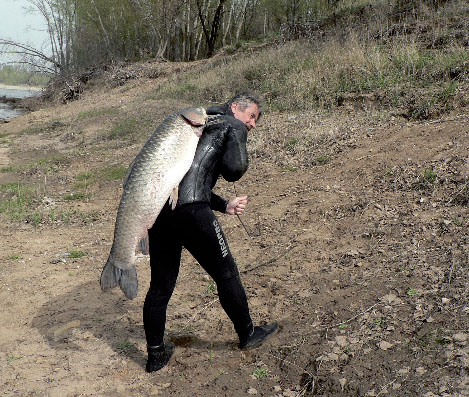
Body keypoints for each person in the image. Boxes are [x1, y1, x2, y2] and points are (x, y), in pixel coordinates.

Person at [143, 93, 278, 373]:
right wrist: (238, 131)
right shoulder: (231, 126)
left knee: (160, 286)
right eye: (251, 116)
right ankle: (248, 334)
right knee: (226, 273)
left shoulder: (198, 130)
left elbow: (192, 178)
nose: (253, 124)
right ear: (234, 108)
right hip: (192, 213)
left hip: (163, 212)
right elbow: (234, 171)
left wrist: (224, 204)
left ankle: (155, 355)